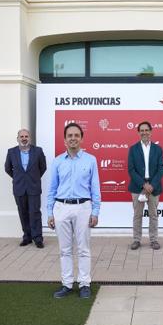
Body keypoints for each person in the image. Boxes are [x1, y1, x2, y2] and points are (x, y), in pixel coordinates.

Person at [47, 123, 101, 299]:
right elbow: (52, 190)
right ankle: (67, 284)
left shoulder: (90, 160)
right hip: (61, 207)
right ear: (64, 139)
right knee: (65, 249)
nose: (73, 138)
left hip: (83, 207)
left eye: (76, 135)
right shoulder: (57, 161)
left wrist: (95, 212)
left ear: (82, 138)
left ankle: (85, 284)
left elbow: (95, 189)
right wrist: (50, 213)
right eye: (70, 135)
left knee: (84, 248)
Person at [5, 129, 47, 248]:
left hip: (34, 187)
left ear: (30, 138)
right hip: (19, 187)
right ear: (17, 138)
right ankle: (27, 237)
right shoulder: (11, 152)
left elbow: (43, 167)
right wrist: (19, 178)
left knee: (35, 213)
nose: (24, 138)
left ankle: (38, 238)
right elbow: (7, 168)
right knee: (23, 213)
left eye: (26, 136)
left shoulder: (38, 151)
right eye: (21, 136)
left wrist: (33, 178)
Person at [128, 121, 163, 250]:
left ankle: (154, 240)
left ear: (151, 131)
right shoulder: (133, 149)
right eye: (142, 130)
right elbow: (131, 169)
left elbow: (161, 168)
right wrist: (144, 184)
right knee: (137, 215)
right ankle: (136, 240)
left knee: (153, 215)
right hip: (137, 187)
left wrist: (152, 184)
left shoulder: (158, 149)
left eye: (146, 130)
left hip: (154, 187)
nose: (144, 132)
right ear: (138, 132)